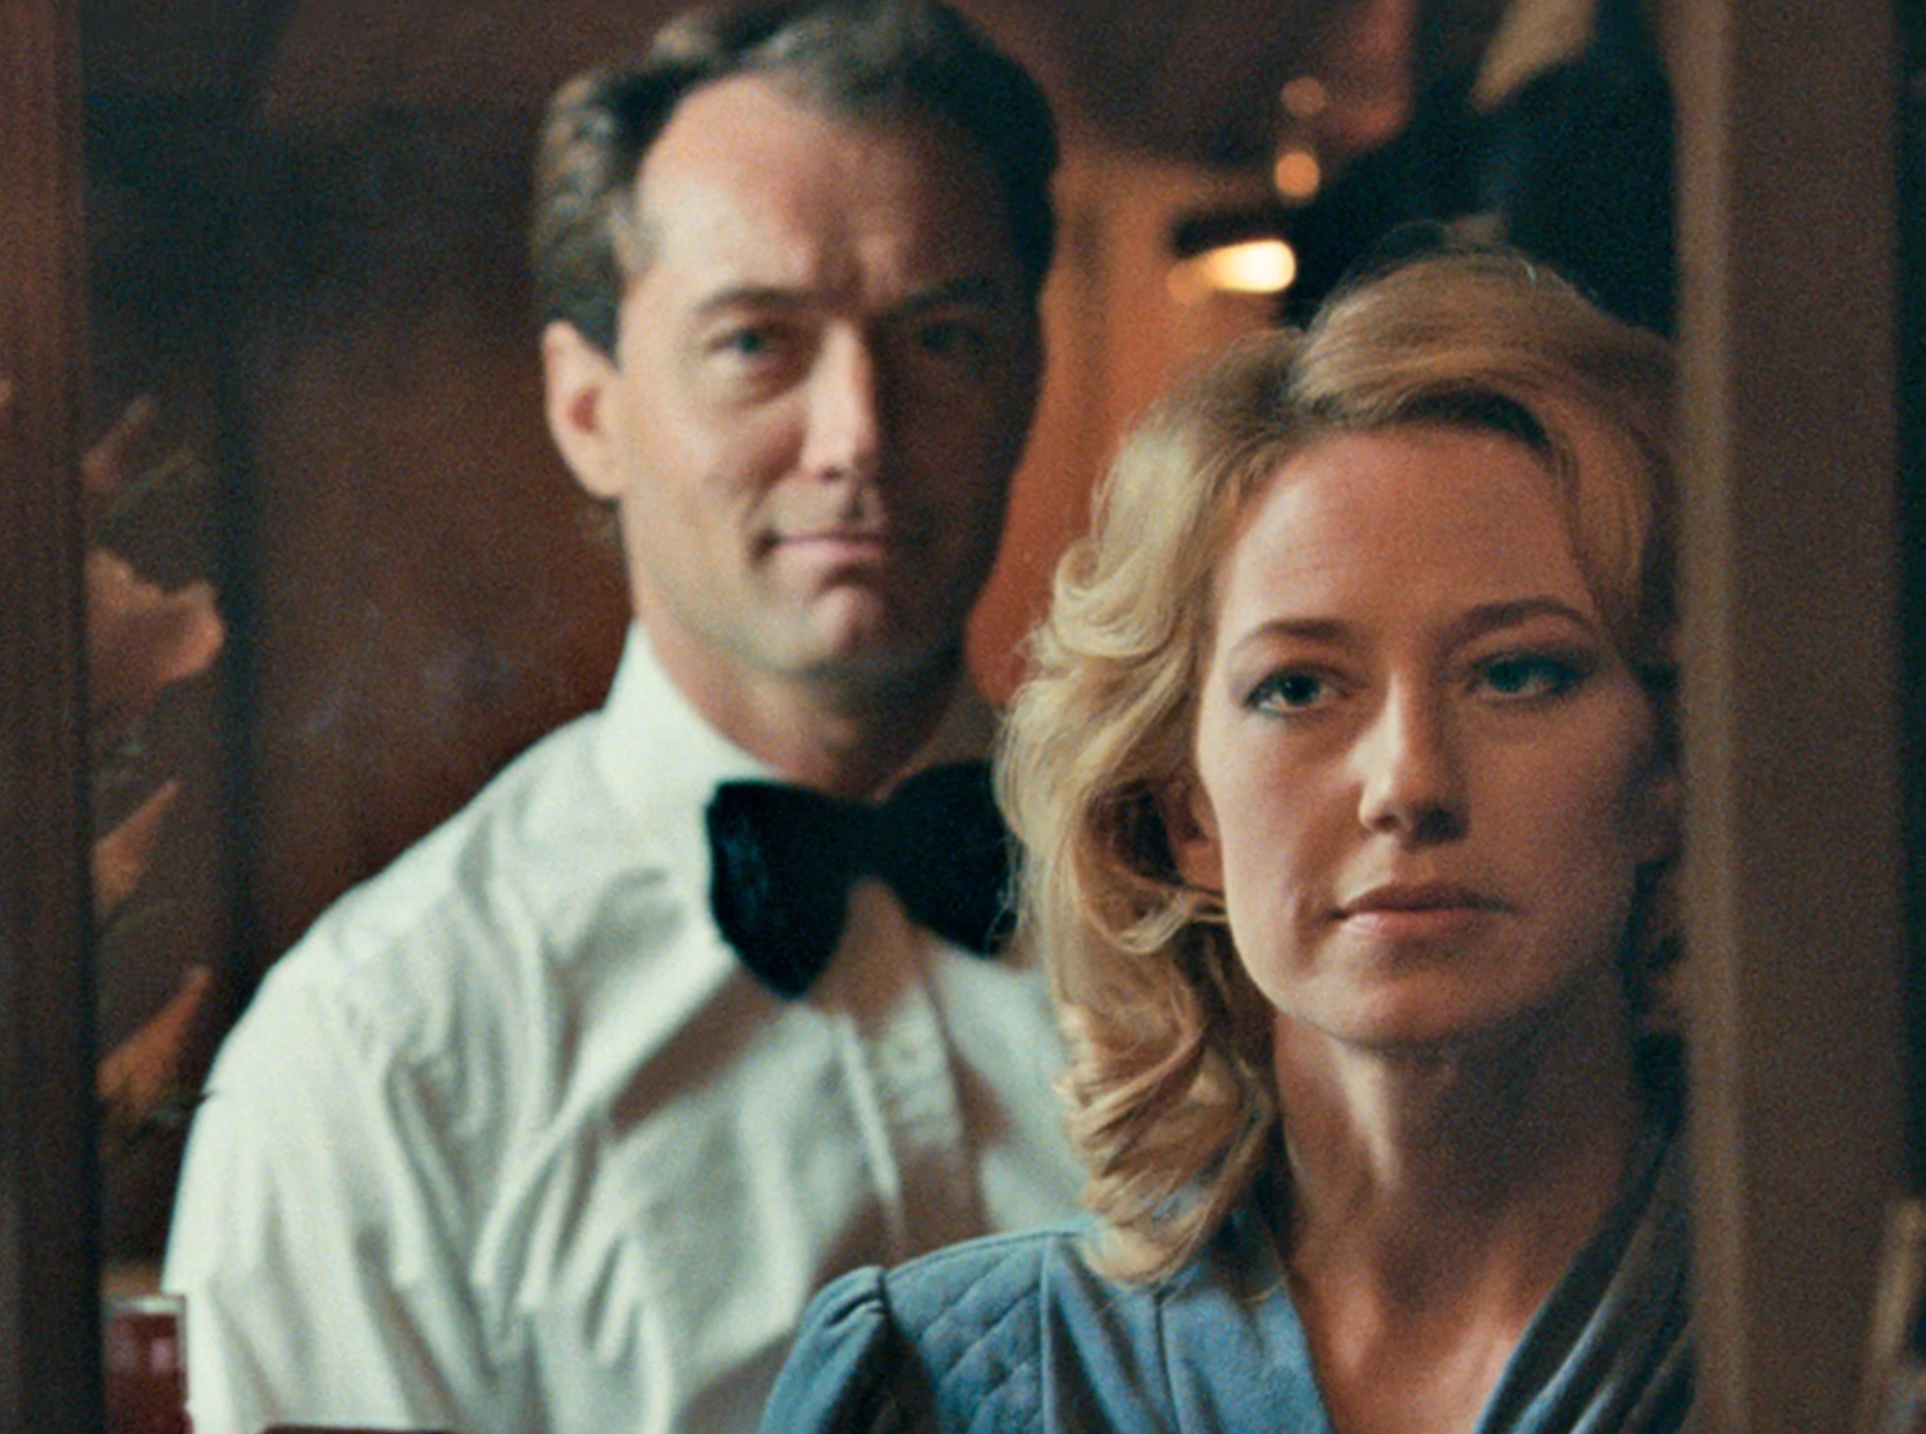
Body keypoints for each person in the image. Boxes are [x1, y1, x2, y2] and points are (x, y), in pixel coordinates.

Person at [162, 4, 1082, 1432]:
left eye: (941, 337)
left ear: (1025, 377)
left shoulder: (1224, 917)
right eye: (755, 342)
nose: (857, 433)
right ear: (588, 410)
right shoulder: (376, 1056)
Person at [759, 245, 1691, 1434]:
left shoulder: (1845, 1320)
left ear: (1667, 769)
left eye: (1514, 675)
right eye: (1299, 689)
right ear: (1180, 810)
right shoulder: (938, 1382)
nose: (1407, 783)